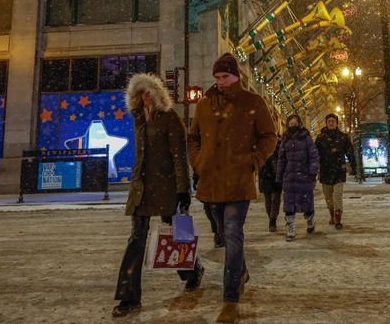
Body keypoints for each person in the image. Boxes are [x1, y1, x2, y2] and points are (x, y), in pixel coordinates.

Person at [188, 53, 277, 323]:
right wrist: (199, 161)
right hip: (211, 181)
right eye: (217, 77)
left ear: (236, 76)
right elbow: (193, 137)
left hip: (238, 179)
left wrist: (254, 160)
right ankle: (241, 271)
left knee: (232, 230)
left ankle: (230, 300)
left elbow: (269, 136)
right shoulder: (204, 105)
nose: (220, 81)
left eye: (224, 76)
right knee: (223, 232)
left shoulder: (252, 102)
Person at [113, 73, 204, 317]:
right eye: (139, 93)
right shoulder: (138, 119)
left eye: (147, 92)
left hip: (166, 187)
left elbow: (178, 156)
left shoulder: (169, 118)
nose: (144, 97)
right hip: (141, 188)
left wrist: (183, 190)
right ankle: (129, 296)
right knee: (136, 239)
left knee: (175, 235)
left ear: (155, 93)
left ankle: (193, 271)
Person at [276, 114, 320, 242]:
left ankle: (310, 219)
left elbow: (314, 156)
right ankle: (290, 229)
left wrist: (312, 172)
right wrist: (279, 176)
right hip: (290, 178)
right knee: (289, 205)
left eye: (295, 124)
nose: (293, 126)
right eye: (291, 124)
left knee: (307, 204)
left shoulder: (306, 139)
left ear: (299, 124)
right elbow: (281, 159)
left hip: (304, 177)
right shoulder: (285, 140)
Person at [315, 113, 356, 230]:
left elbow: (350, 153)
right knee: (328, 197)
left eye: (333, 121)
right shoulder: (320, 138)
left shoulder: (343, 137)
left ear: (337, 123)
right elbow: (314, 154)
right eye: (329, 121)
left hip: (338, 171)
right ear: (326, 123)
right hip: (325, 171)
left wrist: (354, 166)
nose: (331, 123)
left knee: (337, 195)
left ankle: (338, 219)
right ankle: (332, 214)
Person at [193, 170, 224, 248]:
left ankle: (220, 233)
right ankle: (219, 232)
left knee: (215, 209)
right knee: (210, 211)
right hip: (208, 179)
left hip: (220, 179)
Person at [258, 139, 282, 232]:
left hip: (276, 180)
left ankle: (273, 220)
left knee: (275, 200)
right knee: (268, 202)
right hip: (266, 180)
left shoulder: (279, 148)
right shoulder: (262, 148)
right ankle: (271, 219)